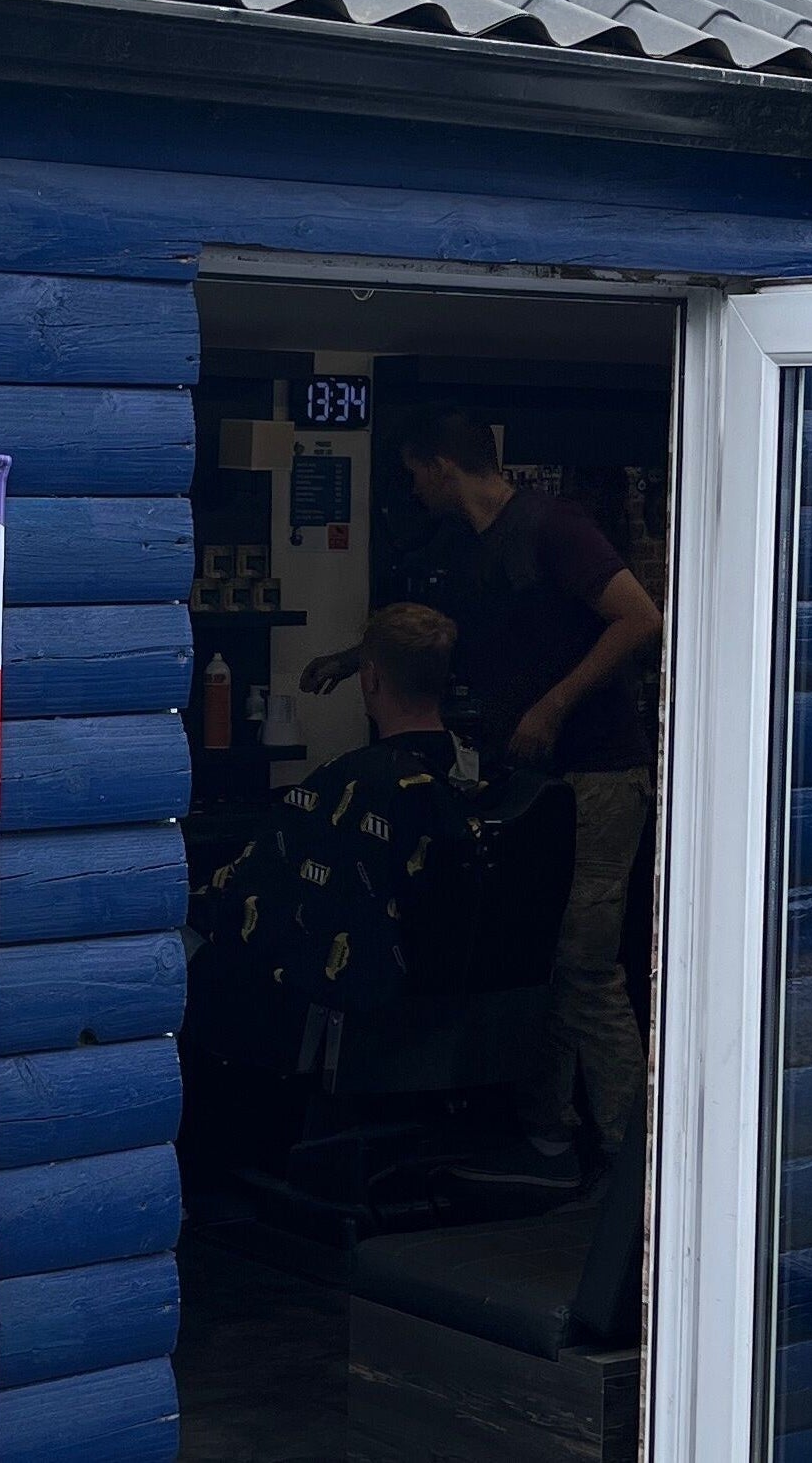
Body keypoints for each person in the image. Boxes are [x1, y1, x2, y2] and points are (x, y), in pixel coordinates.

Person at [304, 411, 663, 1189]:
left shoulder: (555, 528)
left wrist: (554, 705)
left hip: (598, 772)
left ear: (441, 465)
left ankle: (639, 1164)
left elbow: (640, 617)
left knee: (585, 967)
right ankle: (547, 1137)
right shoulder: (471, 547)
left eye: (414, 473)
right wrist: (349, 660)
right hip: (536, 778)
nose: (411, 488)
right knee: (543, 957)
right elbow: (444, 631)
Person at [191, 604, 470, 1039]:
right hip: (440, 1001)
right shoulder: (470, 778)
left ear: (371, 677)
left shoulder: (352, 784)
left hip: (349, 1003)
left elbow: (251, 892)